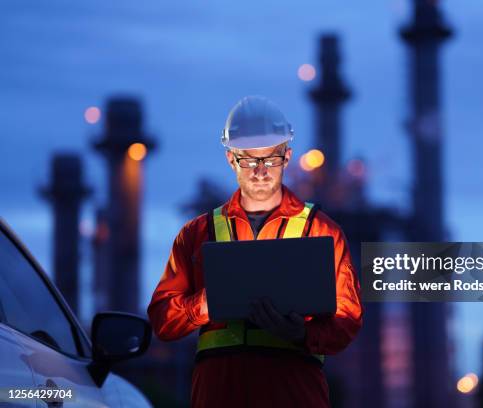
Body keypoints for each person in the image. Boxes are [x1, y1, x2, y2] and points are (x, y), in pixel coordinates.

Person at [147, 95, 363, 408]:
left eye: (270, 160)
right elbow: (162, 321)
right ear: (230, 159)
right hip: (219, 393)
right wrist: (203, 305)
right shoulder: (197, 234)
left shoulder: (322, 231)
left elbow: (348, 320)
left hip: (293, 392)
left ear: (287, 157)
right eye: (248, 160)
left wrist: (302, 332)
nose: (260, 171)